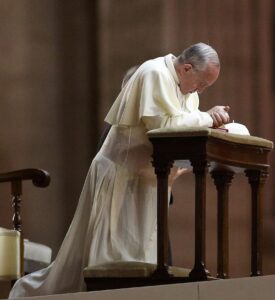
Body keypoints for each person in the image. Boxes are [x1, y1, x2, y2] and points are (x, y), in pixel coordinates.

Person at [9, 42, 230, 298]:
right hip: (119, 178)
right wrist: (207, 117)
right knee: (109, 259)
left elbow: (182, 130)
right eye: (202, 83)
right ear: (187, 68)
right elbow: (163, 127)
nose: (201, 91)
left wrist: (210, 127)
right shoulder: (153, 73)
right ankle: (27, 293)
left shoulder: (187, 91)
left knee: (141, 259)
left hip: (146, 182)